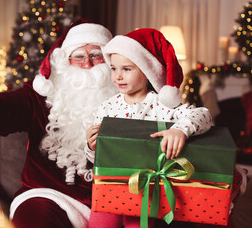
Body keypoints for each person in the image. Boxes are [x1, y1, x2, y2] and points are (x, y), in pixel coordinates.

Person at [0, 19, 118, 228]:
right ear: (64, 62)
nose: (87, 64)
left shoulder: (132, 100)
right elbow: (0, 112)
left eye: (96, 55)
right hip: (51, 197)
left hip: (118, 200)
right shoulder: (39, 98)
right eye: (78, 56)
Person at [85, 28, 213, 228]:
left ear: (146, 72)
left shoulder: (162, 106)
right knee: (99, 224)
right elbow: (99, 158)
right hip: (111, 185)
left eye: (127, 69)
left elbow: (204, 115)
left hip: (145, 189)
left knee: (137, 223)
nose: (118, 76)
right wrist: (91, 147)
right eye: (114, 68)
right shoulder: (107, 106)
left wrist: (180, 130)